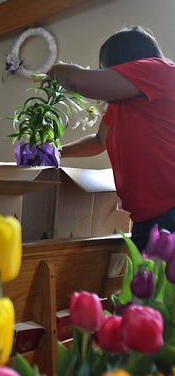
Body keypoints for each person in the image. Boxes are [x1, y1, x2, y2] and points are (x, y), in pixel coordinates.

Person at [47, 26, 175, 251]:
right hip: (146, 216)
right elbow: (99, 141)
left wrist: (54, 71)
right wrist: (57, 151)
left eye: (105, 67)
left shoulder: (159, 70)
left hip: (169, 210)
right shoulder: (122, 103)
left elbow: (77, 80)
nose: (104, 72)